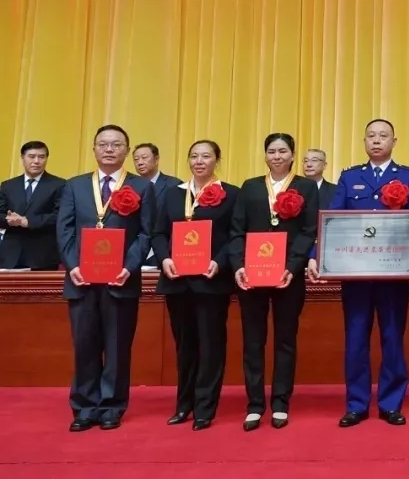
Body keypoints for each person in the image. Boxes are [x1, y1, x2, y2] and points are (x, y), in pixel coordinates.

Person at [308, 119, 409, 427]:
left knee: (392, 338)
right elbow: (331, 220)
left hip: (394, 272)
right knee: (355, 339)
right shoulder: (350, 177)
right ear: (364, 141)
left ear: (394, 141)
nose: (377, 141)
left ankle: (391, 404)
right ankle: (357, 404)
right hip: (356, 273)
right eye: (371, 136)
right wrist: (315, 256)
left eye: (383, 136)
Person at [57, 124, 155, 431]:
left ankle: (112, 406)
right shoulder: (74, 186)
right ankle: (85, 407)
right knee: (85, 345)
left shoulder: (142, 187)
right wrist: (72, 265)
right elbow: (65, 229)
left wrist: (129, 266)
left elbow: (146, 233)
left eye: (116, 144)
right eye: (103, 144)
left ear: (127, 150)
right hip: (82, 280)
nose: (109, 149)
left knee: (117, 346)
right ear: (94, 149)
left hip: (121, 280)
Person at [229, 133, 319, 431]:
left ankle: (280, 402)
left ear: (292, 155)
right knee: (253, 341)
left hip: (288, 276)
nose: (277, 156)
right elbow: (236, 230)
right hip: (252, 275)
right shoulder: (251, 186)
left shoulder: (306, 187)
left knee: (285, 340)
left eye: (282, 151)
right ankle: (255, 405)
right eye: (271, 151)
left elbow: (308, 231)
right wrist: (239, 266)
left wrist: (293, 266)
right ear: (265, 155)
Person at [151, 140, 239, 430]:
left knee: (211, 345)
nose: (199, 161)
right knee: (184, 345)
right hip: (178, 281)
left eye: (206, 156)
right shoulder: (173, 194)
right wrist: (164, 259)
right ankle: (183, 404)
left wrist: (220, 261)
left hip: (211, 281)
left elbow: (236, 235)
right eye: (194, 156)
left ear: (217, 160)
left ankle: (205, 407)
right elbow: (158, 233)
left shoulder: (230, 194)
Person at [0, 141, 65, 270]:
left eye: (41, 157)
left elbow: (60, 216)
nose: (36, 161)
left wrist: (28, 221)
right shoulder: (8, 185)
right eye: (31, 156)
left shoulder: (59, 185)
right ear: (22, 157)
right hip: (10, 254)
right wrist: (8, 220)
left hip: (43, 256)